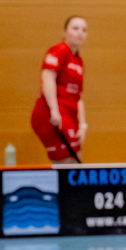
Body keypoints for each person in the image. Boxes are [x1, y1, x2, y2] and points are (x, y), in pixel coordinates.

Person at [30, 16, 87, 163]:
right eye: (75, 28)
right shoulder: (59, 51)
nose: (80, 33)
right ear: (65, 32)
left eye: (83, 30)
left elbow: (78, 96)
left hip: (70, 114)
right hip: (51, 114)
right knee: (65, 159)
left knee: (76, 157)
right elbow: (47, 77)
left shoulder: (78, 61)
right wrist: (54, 111)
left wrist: (83, 125)